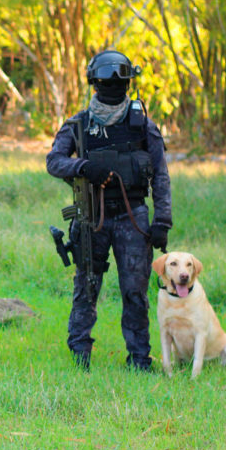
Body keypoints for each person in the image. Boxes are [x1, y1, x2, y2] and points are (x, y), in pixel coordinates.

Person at [46, 49, 172, 371]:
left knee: (135, 291)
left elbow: (160, 175)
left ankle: (139, 359)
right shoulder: (78, 125)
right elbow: (54, 162)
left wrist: (162, 221)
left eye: (119, 82)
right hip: (92, 216)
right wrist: (83, 166)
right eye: (105, 81)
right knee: (87, 287)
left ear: (129, 83)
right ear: (94, 83)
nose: (112, 87)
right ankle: (80, 355)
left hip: (134, 218)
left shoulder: (142, 125)